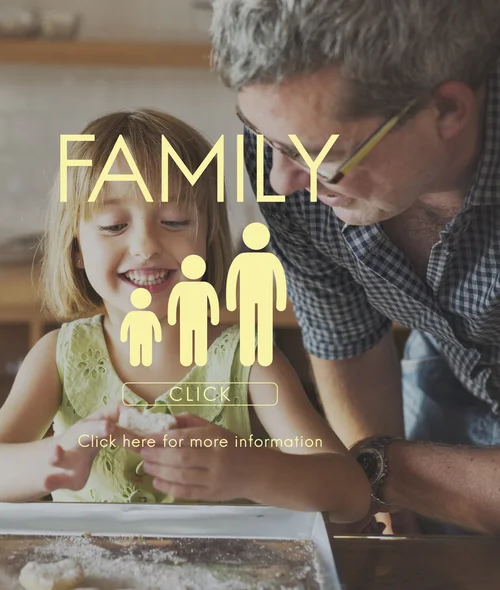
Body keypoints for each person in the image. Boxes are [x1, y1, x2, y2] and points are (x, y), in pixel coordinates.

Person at [0, 108, 370, 524]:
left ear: (208, 237)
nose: (146, 245)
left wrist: (252, 471)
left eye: (174, 220)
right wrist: (54, 457)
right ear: (76, 248)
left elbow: (349, 492)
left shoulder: (248, 361)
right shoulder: (58, 357)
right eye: (115, 225)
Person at [211, 0, 500, 534]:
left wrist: (381, 468)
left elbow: (376, 468)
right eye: (263, 137)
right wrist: (385, 508)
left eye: (322, 156)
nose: (280, 180)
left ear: (447, 113)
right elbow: (344, 338)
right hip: (450, 367)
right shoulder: (285, 156)